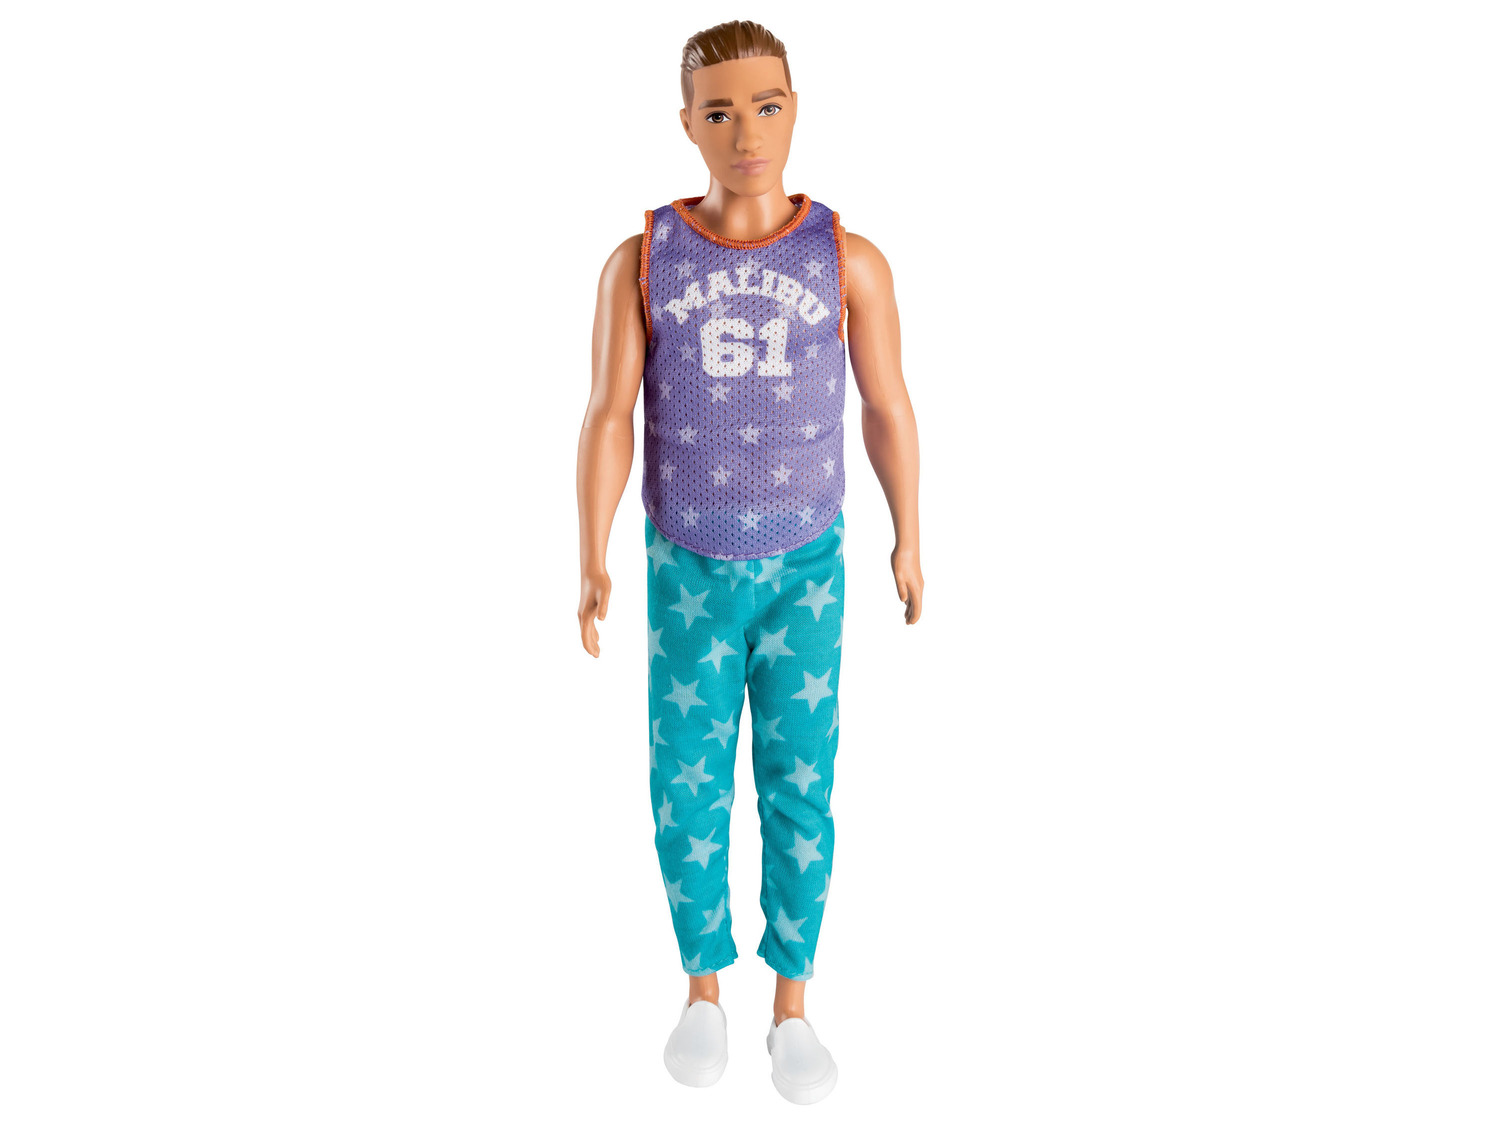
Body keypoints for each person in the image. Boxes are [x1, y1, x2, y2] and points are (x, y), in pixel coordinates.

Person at [575, 20, 922, 1105]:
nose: (746, 134)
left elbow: (886, 404)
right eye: (719, 112)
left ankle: (794, 1004)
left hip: (807, 563)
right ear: (686, 124)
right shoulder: (644, 259)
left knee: (799, 781)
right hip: (686, 562)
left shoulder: (846, 258)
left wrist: (910, 529)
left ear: (796, 109)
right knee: (686, 779)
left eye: (766, 106)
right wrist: (590, 549)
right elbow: (609, 411)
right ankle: (701, 989)